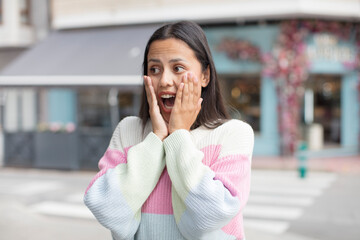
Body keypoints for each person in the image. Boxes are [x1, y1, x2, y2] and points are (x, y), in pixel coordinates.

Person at [84, 21, 254, 240]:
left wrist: (178, 135)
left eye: (178, 68)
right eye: (154, 69)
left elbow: (210, 217)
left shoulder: (233, 134)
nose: (164, 80)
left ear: (205, 76)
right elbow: (106, 209)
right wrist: (155, 139)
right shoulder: (129, 130)